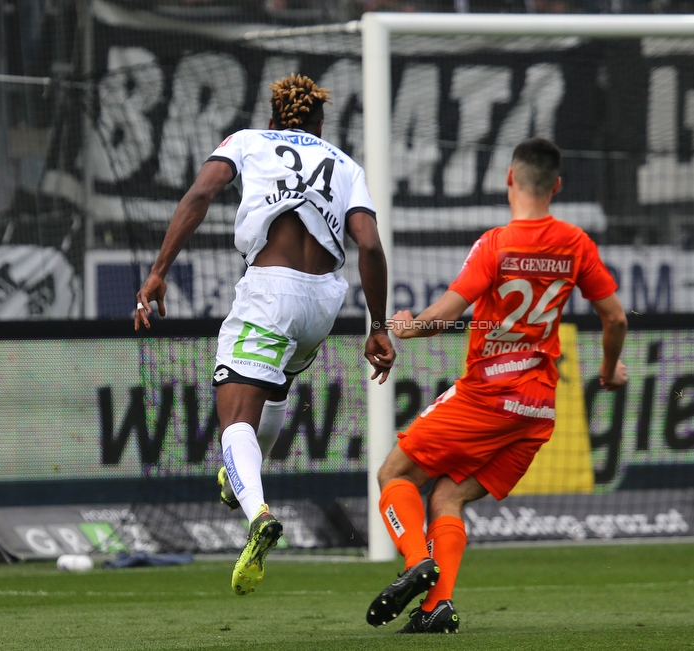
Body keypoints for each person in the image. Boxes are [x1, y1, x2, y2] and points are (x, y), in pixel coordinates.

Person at [134, 74, 395, 595]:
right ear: (321, 125)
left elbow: (202, 191)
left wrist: (160, 268)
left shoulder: (249, 140)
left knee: (233, 419)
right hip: (323, 299)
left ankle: (257, 514)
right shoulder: (344, 164)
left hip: (269, 293)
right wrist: (379, 325)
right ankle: (243, 478)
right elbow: (368, 244)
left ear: (274, 121)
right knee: (277, 388)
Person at [366, 137, 628, 634]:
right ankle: (434, 609)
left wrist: (405, 326)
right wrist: (607, 370)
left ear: (509, 179)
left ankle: (417, 561)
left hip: (488, 394)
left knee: (393, 475)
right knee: (448, 498)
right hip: (539, 411)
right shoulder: (575, 243)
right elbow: (614, 319)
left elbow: (446, 313)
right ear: (557, 186)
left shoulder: (496, 244)